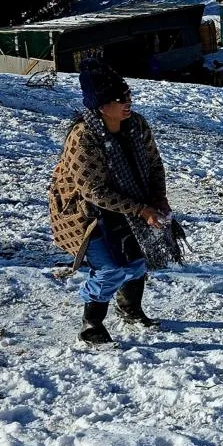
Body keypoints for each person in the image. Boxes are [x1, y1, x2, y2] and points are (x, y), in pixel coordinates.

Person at [48, 60, 175, 345]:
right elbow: (93, 190)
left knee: (137, 260)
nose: (128, 102)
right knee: (110, 269)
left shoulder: (136, 125)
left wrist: (159, 198)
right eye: (120, 98)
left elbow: (154, 164)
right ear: (102, 105)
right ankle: (91, 325)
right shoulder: (84, 137)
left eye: (128, 95)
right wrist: (141, 209)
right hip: (86, 213)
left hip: (132, 204)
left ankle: (130, 309)